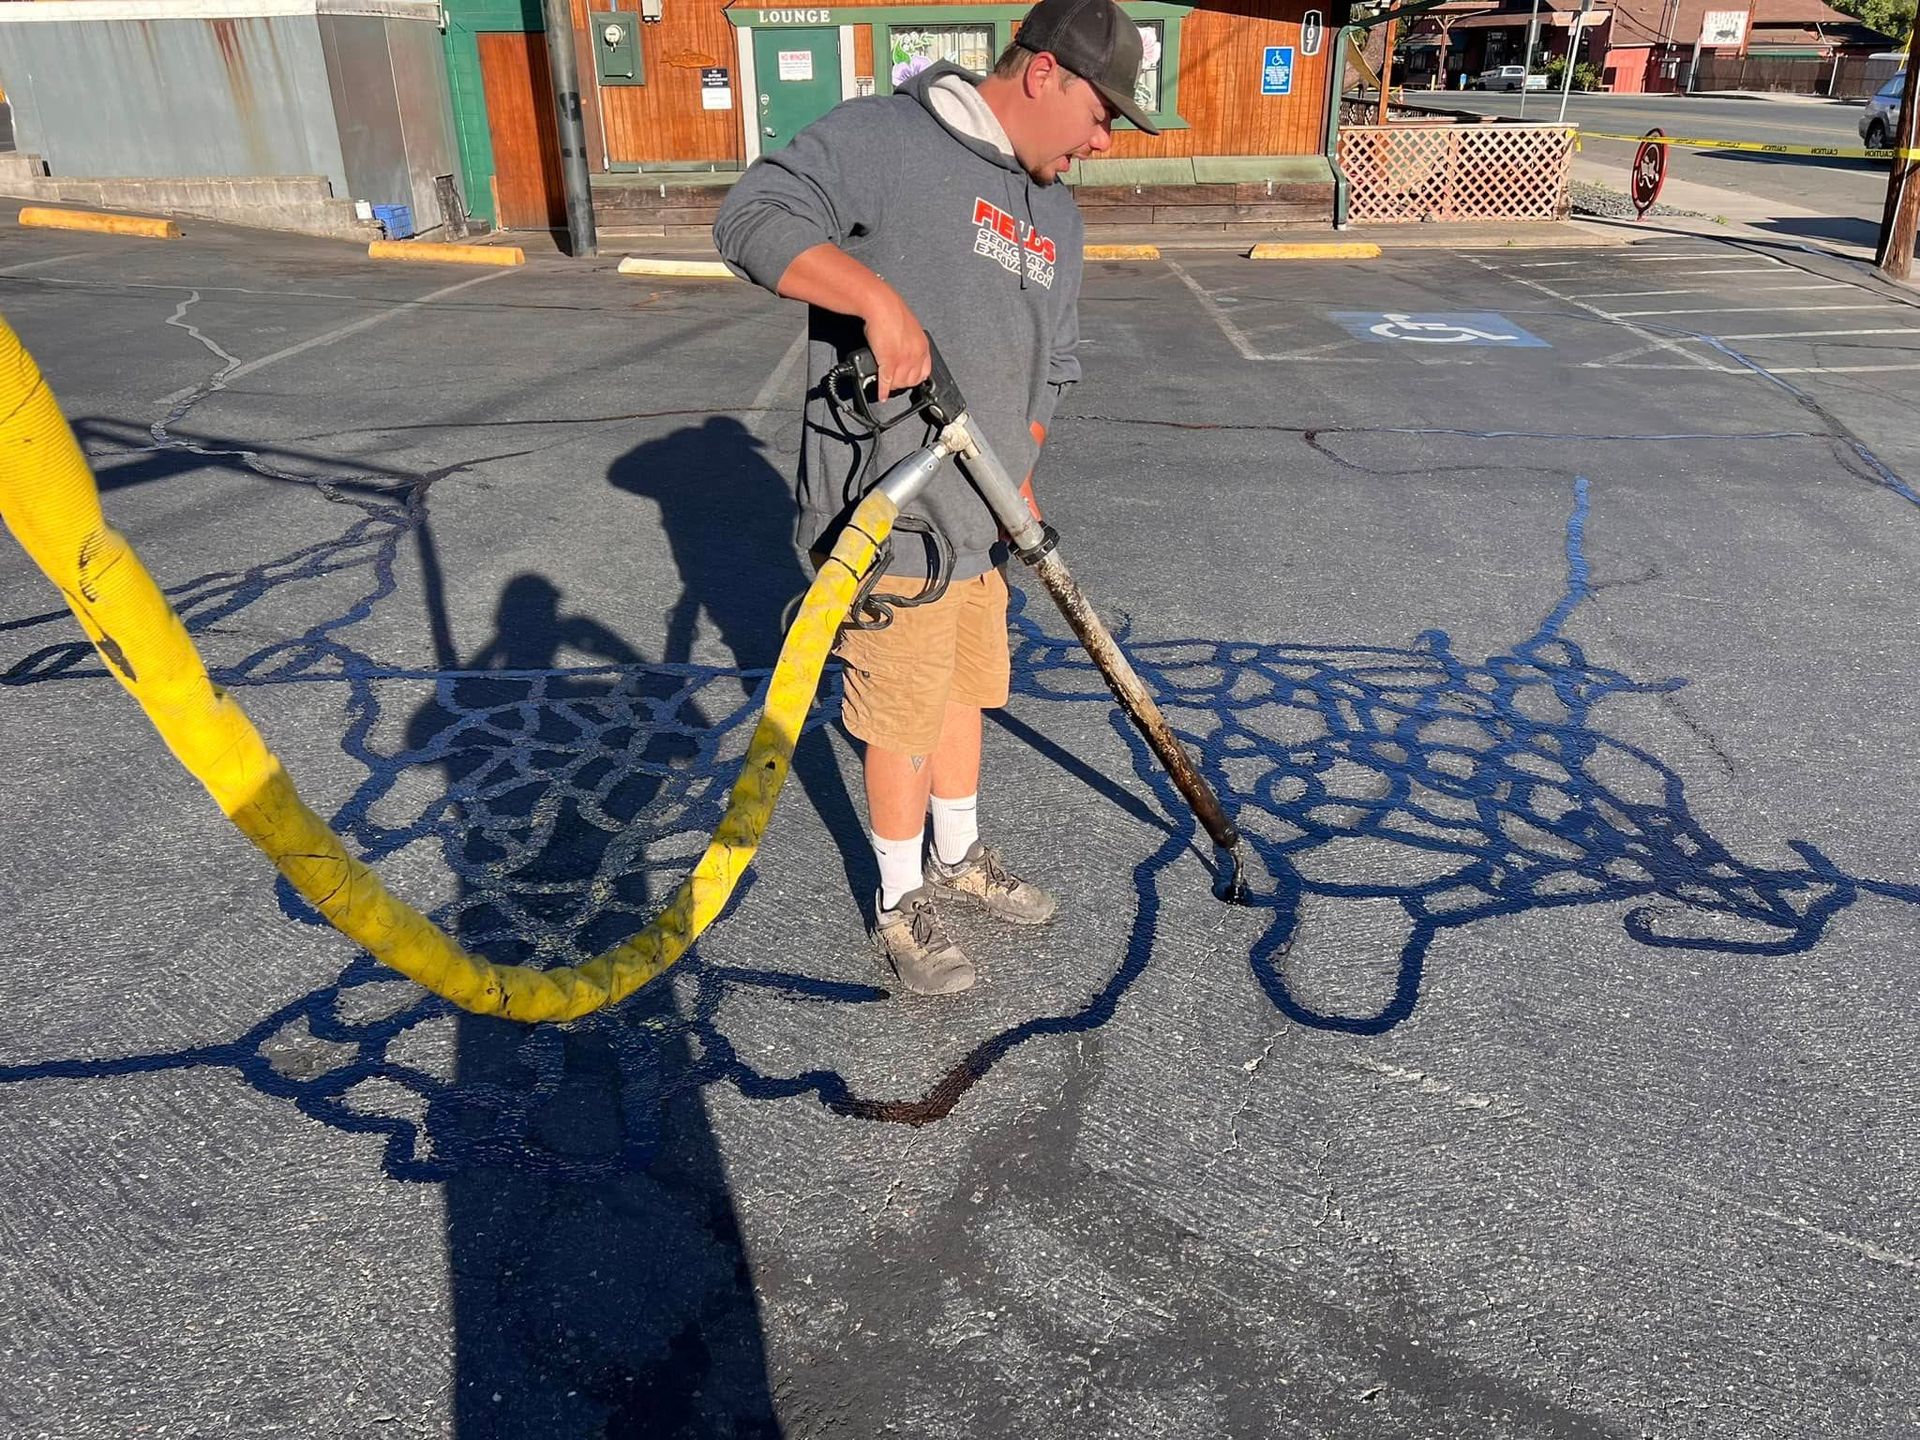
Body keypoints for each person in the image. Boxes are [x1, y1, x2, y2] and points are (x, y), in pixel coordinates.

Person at [713, 0, 1158, 997]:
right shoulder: (887, 138)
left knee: (965, 694)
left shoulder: (1059, 215)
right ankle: (898, 897)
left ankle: (956, 857)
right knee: (902, 716)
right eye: (1101, 114)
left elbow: (1056, 365)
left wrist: (1021, 466)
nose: (1103, 141)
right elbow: (751, 215)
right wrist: (874, 300)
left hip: (982, 523)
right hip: (893, 517)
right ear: (1042, 73)